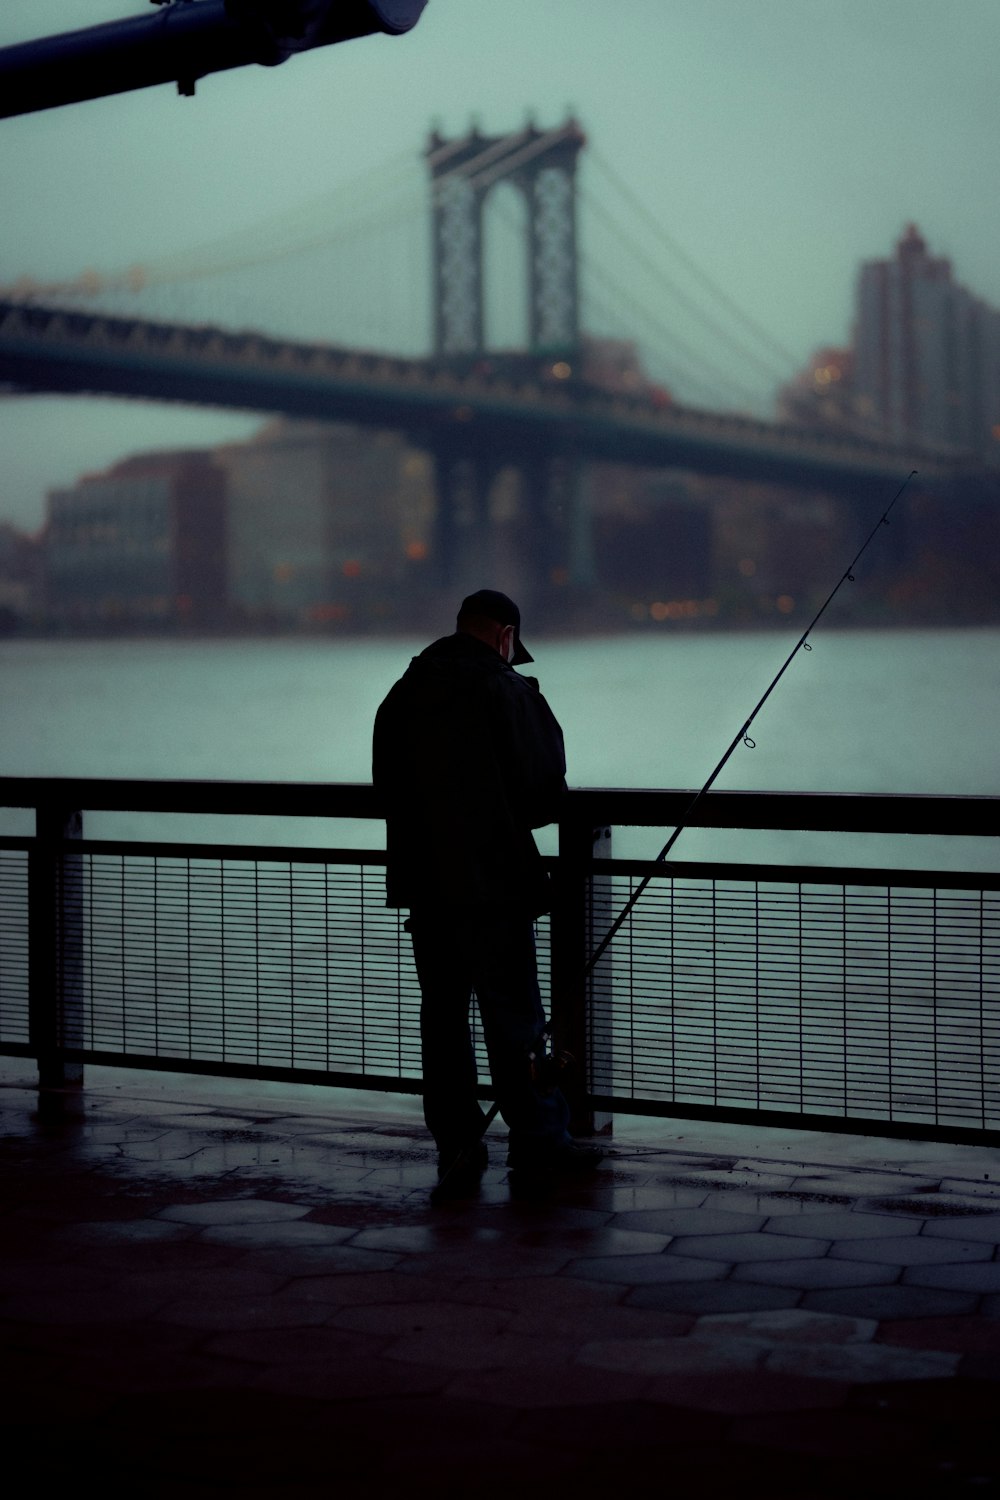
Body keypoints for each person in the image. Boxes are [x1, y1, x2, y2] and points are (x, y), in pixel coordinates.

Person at [372, 588, 604, 1196]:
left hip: (426, 888)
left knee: (443, 1021)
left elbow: (386, 786)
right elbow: (544, 792)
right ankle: (540, 1142)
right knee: (516, 1022)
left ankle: (457, 1141)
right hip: (495, 888)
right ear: (506, 636)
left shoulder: (404, 692)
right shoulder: (506, 690)